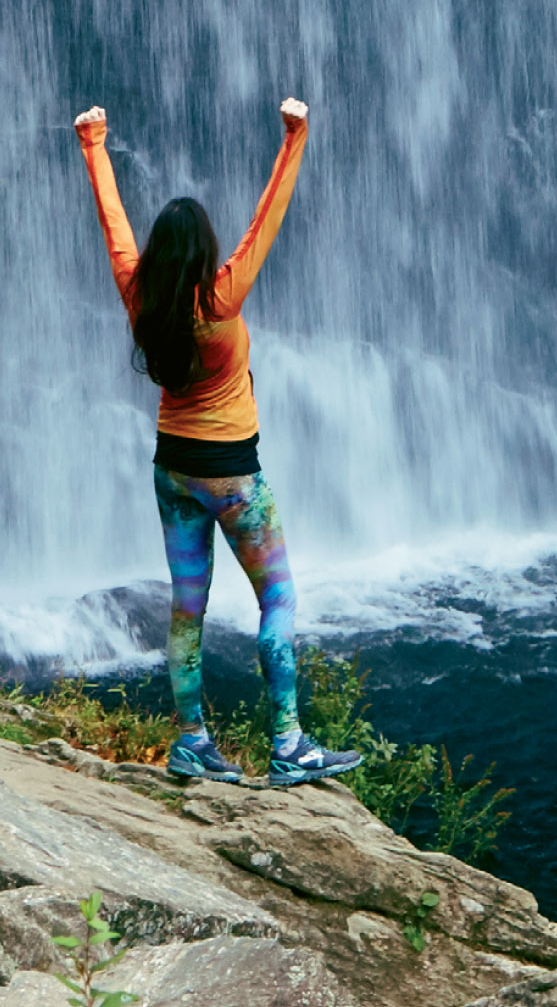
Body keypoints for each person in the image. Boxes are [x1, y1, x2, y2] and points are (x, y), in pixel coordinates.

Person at [73, 94, 363, 790]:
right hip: (234, 477)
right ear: (204, 250)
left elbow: (114, 227)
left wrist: (93, 145)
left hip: (172, 470)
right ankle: (288, 744)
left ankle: (191, 743)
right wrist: (294, 138)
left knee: (186, 608)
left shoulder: (137, 295)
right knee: (279, 599)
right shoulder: (222, 297)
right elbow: (267, 220)